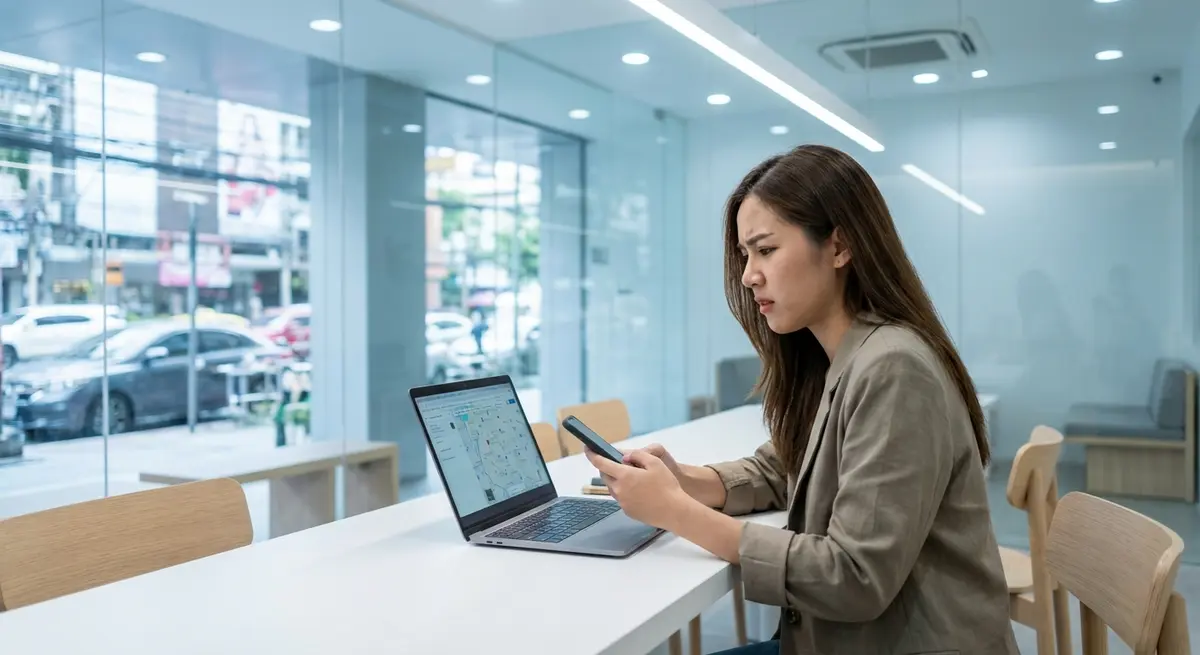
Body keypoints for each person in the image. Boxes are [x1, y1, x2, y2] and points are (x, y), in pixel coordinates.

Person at [586, 145, 1018, 655]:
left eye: (765, 250)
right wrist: (686, 482)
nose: (748, 275)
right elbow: (785, 468)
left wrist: (676, 512)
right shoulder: (842, 355)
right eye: (746, 255)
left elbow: (854, 578)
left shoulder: (894, 368)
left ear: (839, 247)